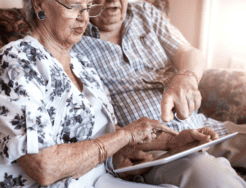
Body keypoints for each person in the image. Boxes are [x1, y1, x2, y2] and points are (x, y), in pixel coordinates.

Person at [0, 0, 220, 187]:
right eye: (73, 5)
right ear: (40, 5)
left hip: (91, 179)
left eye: (87, 6)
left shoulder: (84, 67)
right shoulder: (17, 60)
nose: (83, 16)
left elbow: (106, 136)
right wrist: (125, 134)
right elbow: (44, 167)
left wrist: (171, 143)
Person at [71, 0, 246, 187]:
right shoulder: (74, 36)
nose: (113, 1)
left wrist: (187, 77)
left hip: (201, 126)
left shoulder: (144, 12)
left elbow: (189, 52)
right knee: (209, 175)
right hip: (155, 149)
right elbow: (88, 118)